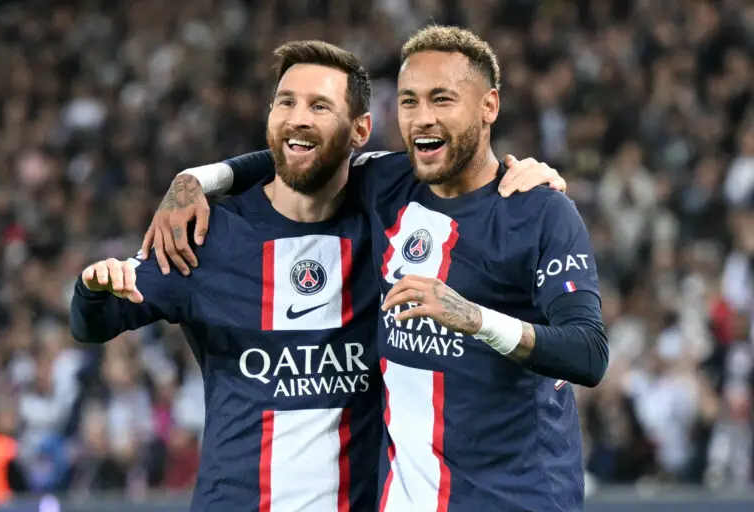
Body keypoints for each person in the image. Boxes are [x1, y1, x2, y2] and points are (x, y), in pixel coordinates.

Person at [142, 28, 603, 511]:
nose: (422, 117)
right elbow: (305, 153)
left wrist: (475, 319)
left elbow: (588, 353)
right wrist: (196, 179)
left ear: (489, 106)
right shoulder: (389, 182)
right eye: (409, 101)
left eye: (442, 99)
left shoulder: (539, 210)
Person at [71, 41, 385, 512]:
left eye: (319, 106)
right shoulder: (206, 235)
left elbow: (457, 168)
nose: (297, 118)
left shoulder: (387, 219)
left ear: (361, 129)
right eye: (285, 102)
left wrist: (202, 176)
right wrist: (94, 286)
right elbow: (92, 325)